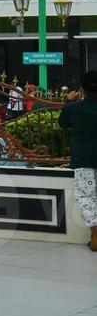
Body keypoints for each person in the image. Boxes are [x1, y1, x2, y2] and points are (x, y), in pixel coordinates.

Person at [59, 70, 97, 251]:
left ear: (82, 88)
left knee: (86, 196)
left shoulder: (73, 108)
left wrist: (69, 101)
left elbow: (63, 122)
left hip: (83, 158)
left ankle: (95, 231)